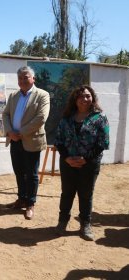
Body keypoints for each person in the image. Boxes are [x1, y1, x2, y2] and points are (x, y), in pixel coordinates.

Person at [54, 85, 109, 241]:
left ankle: (85, 224)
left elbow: (102, 143)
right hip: (67, 163)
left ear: (92, 98)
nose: (84, 99)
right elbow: (59, 141)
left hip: (89, 164)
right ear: (75, 99)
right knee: (67, 193)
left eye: (87, 96)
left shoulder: (100, 117)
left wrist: (86, 159)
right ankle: (62, 222)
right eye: (81, 96)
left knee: (86, 194)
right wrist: (67, 158)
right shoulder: (66, 118)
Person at [2, 66, 50, 220]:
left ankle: (30, 203)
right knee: (19, 172)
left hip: (31, 141)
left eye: (26, 77)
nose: (22, 80)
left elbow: (41, 118)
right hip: (14, 140)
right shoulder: (13, 95)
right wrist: (10, 132)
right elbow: (5, 114)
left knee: (31, 174)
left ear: (33, 79)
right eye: (20, 78)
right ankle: (21, 199)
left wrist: (20, 133)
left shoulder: (42, 95)